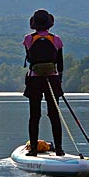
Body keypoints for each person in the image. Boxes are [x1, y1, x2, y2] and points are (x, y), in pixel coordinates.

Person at [23, 9, 64, 156]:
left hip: (35, 79)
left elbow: (29, 57)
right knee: (54, 115)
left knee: (34, 115)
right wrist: (59, 82)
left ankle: (33, 149)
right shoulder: (56, 39)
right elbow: (60, 64)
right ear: (49, 24)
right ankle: (59, 149)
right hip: (52, 79)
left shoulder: (28, 39)